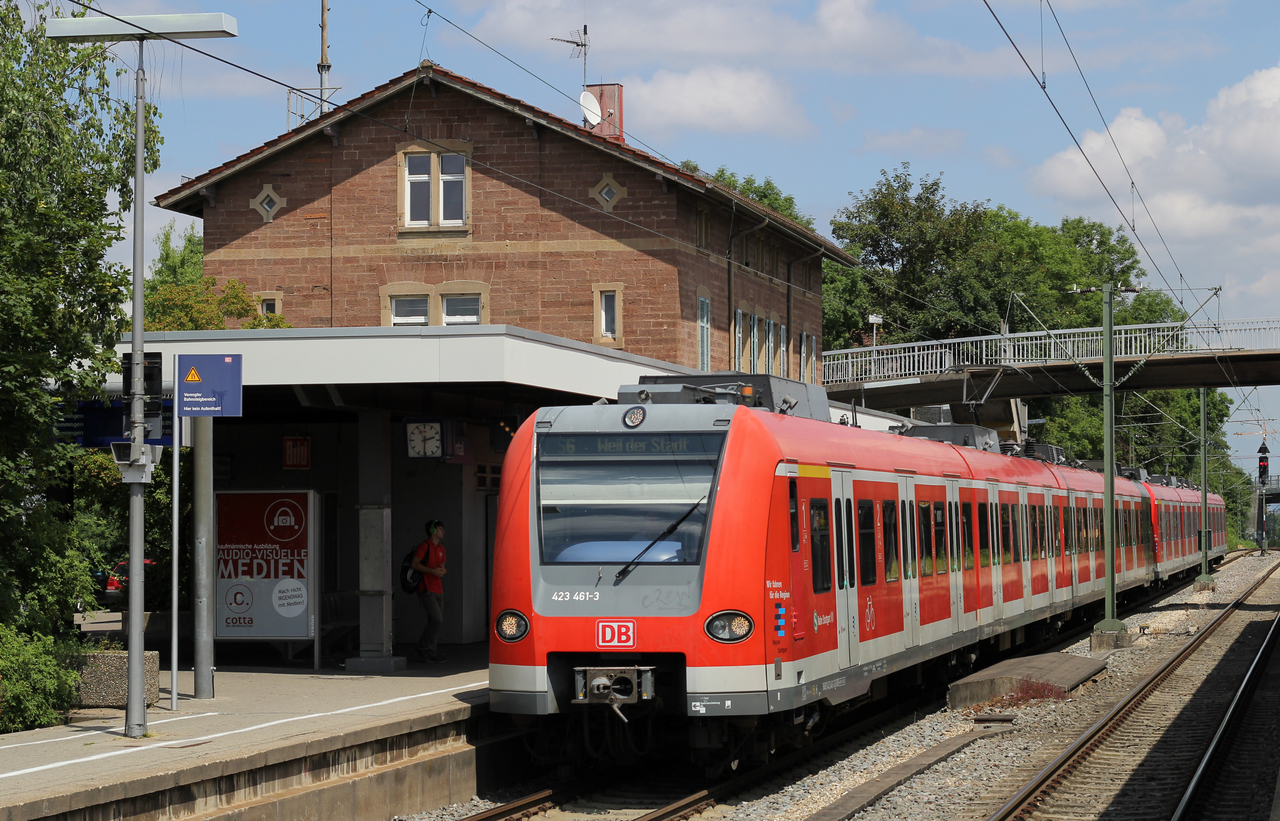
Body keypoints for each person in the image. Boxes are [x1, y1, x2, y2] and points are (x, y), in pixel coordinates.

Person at [410, 519, 447, 663]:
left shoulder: (442, 549)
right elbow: (414, 564)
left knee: (435, 621)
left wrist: (443, 570)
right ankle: (423, 647)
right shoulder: (424, 546)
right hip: (426, 588)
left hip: (438, 588)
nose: (443, 531)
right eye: (440, 528)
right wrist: (432, 571)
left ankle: (431, 651)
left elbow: (443, 567)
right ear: (433, 531)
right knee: (437, 620)